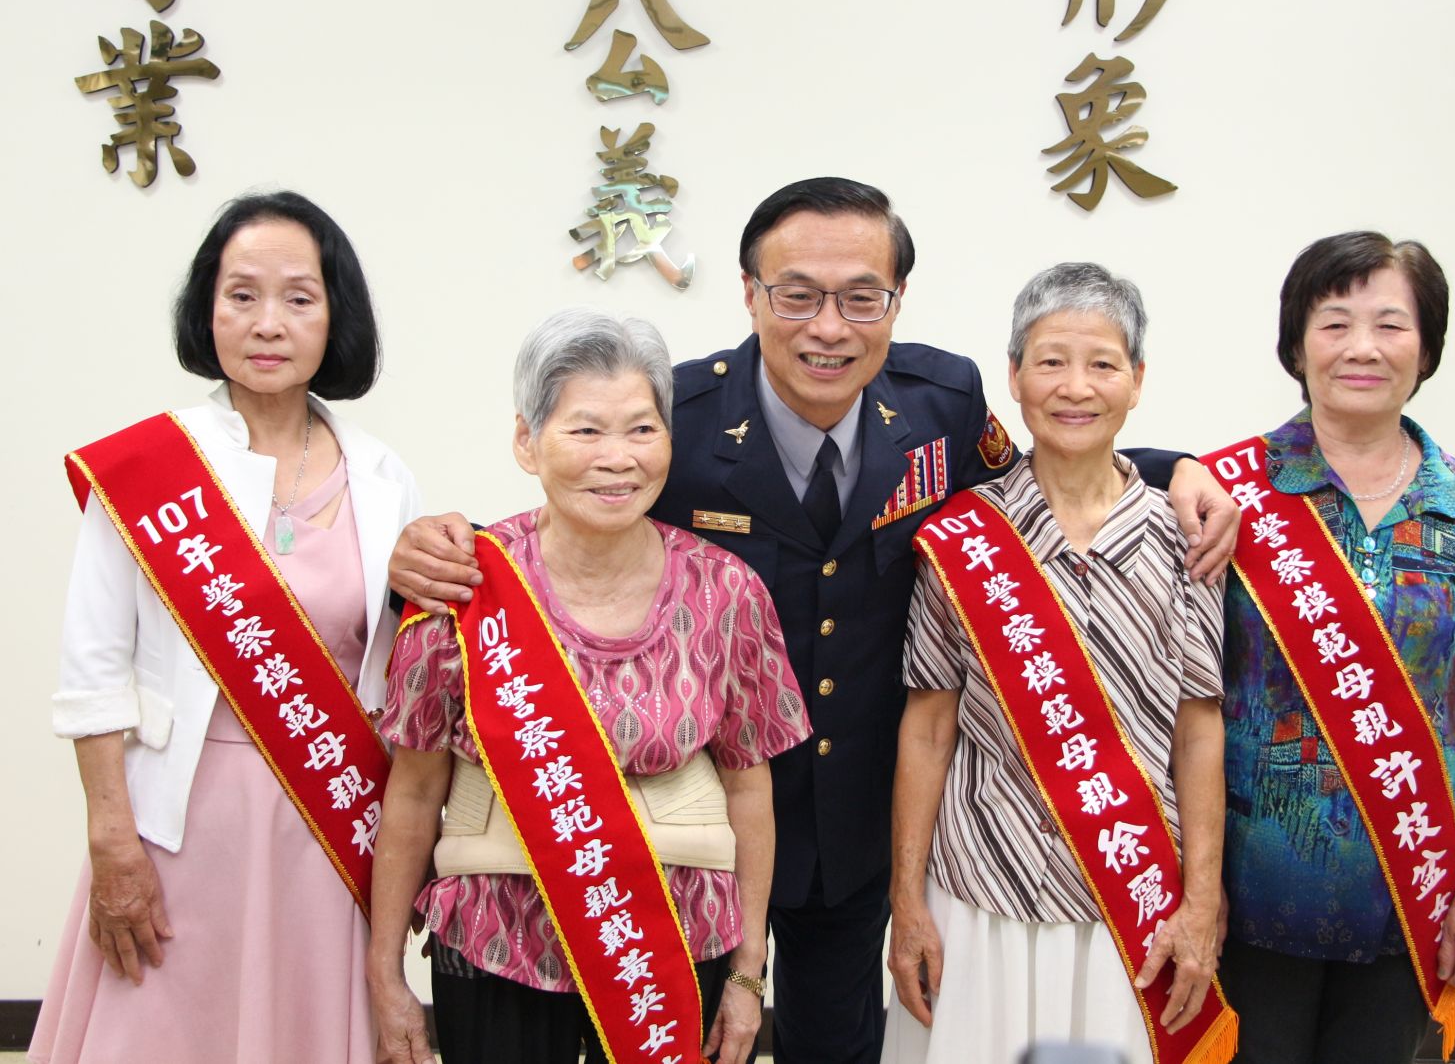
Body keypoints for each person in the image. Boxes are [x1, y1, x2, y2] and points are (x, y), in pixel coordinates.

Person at [386, 177, 1240, 1063]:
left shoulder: (941, 402)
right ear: (750, 294)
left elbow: (1044, 461)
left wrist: (1173, 464)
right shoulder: (676, 415)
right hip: (701, 824)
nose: (829, 327)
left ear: (896, 301)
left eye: (861, 297)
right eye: (796, 294)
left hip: (860, 818)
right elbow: (581, 512)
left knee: (836, 1045)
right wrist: (436, 545)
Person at [31, 191, 421, 1064]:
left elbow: (397, 669)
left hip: (327, 821)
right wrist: (110, 838)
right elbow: (93, 671)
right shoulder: (145, 468)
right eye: (241, 295)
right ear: (206, 310)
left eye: (298, 297)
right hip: (177, 826)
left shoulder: (384, 476)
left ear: (335, 317)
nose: (268, 322)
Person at [365, 307, 810, 1064]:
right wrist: (384, 971)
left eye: (642, 429)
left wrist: (747, 972)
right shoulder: (465, 585)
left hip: (672, 951)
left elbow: (750, 787)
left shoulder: (726, 590)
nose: (619, 457)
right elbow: (411, 791)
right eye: (585, 430)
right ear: (526, 442)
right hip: (495, 939)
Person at [884, 263, 1232, 1064]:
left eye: (1103, 364)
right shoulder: (962, 536)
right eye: (1050, 362)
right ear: (1013, 376)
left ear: (1137, 381)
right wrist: (908, 899)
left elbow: (1198, 729)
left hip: (1127, 893)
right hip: (978, 889)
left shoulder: (1190, 540)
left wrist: (1203, 899)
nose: (1076, 387)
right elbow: (929, 727)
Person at [1212, 232, 1455, 1064]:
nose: (1361, 347)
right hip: (1246, 898)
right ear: (1296, 344)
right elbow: (1183, 700)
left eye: (1391, 324)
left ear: (1425, 349)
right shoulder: (1227, 493)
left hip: (1411, 889)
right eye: (1334, 322)